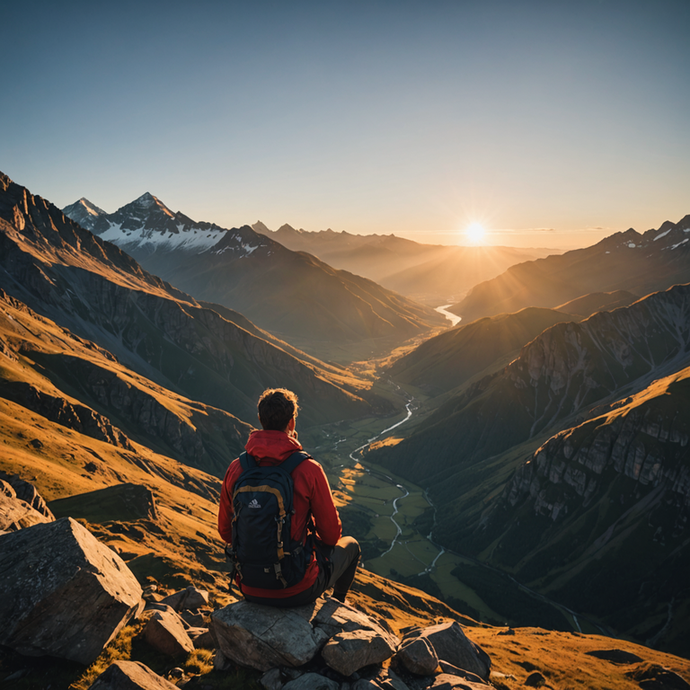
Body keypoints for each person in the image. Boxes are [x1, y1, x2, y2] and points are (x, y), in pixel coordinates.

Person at [218, 388, 360, 606]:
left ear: (260, 420)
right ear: (292, 423)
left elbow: (226, 533)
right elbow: (331, 536)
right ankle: (337, 605)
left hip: (249, 587)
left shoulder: (237, 468)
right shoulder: (308, 469)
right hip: (296, 589)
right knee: (351, 546)